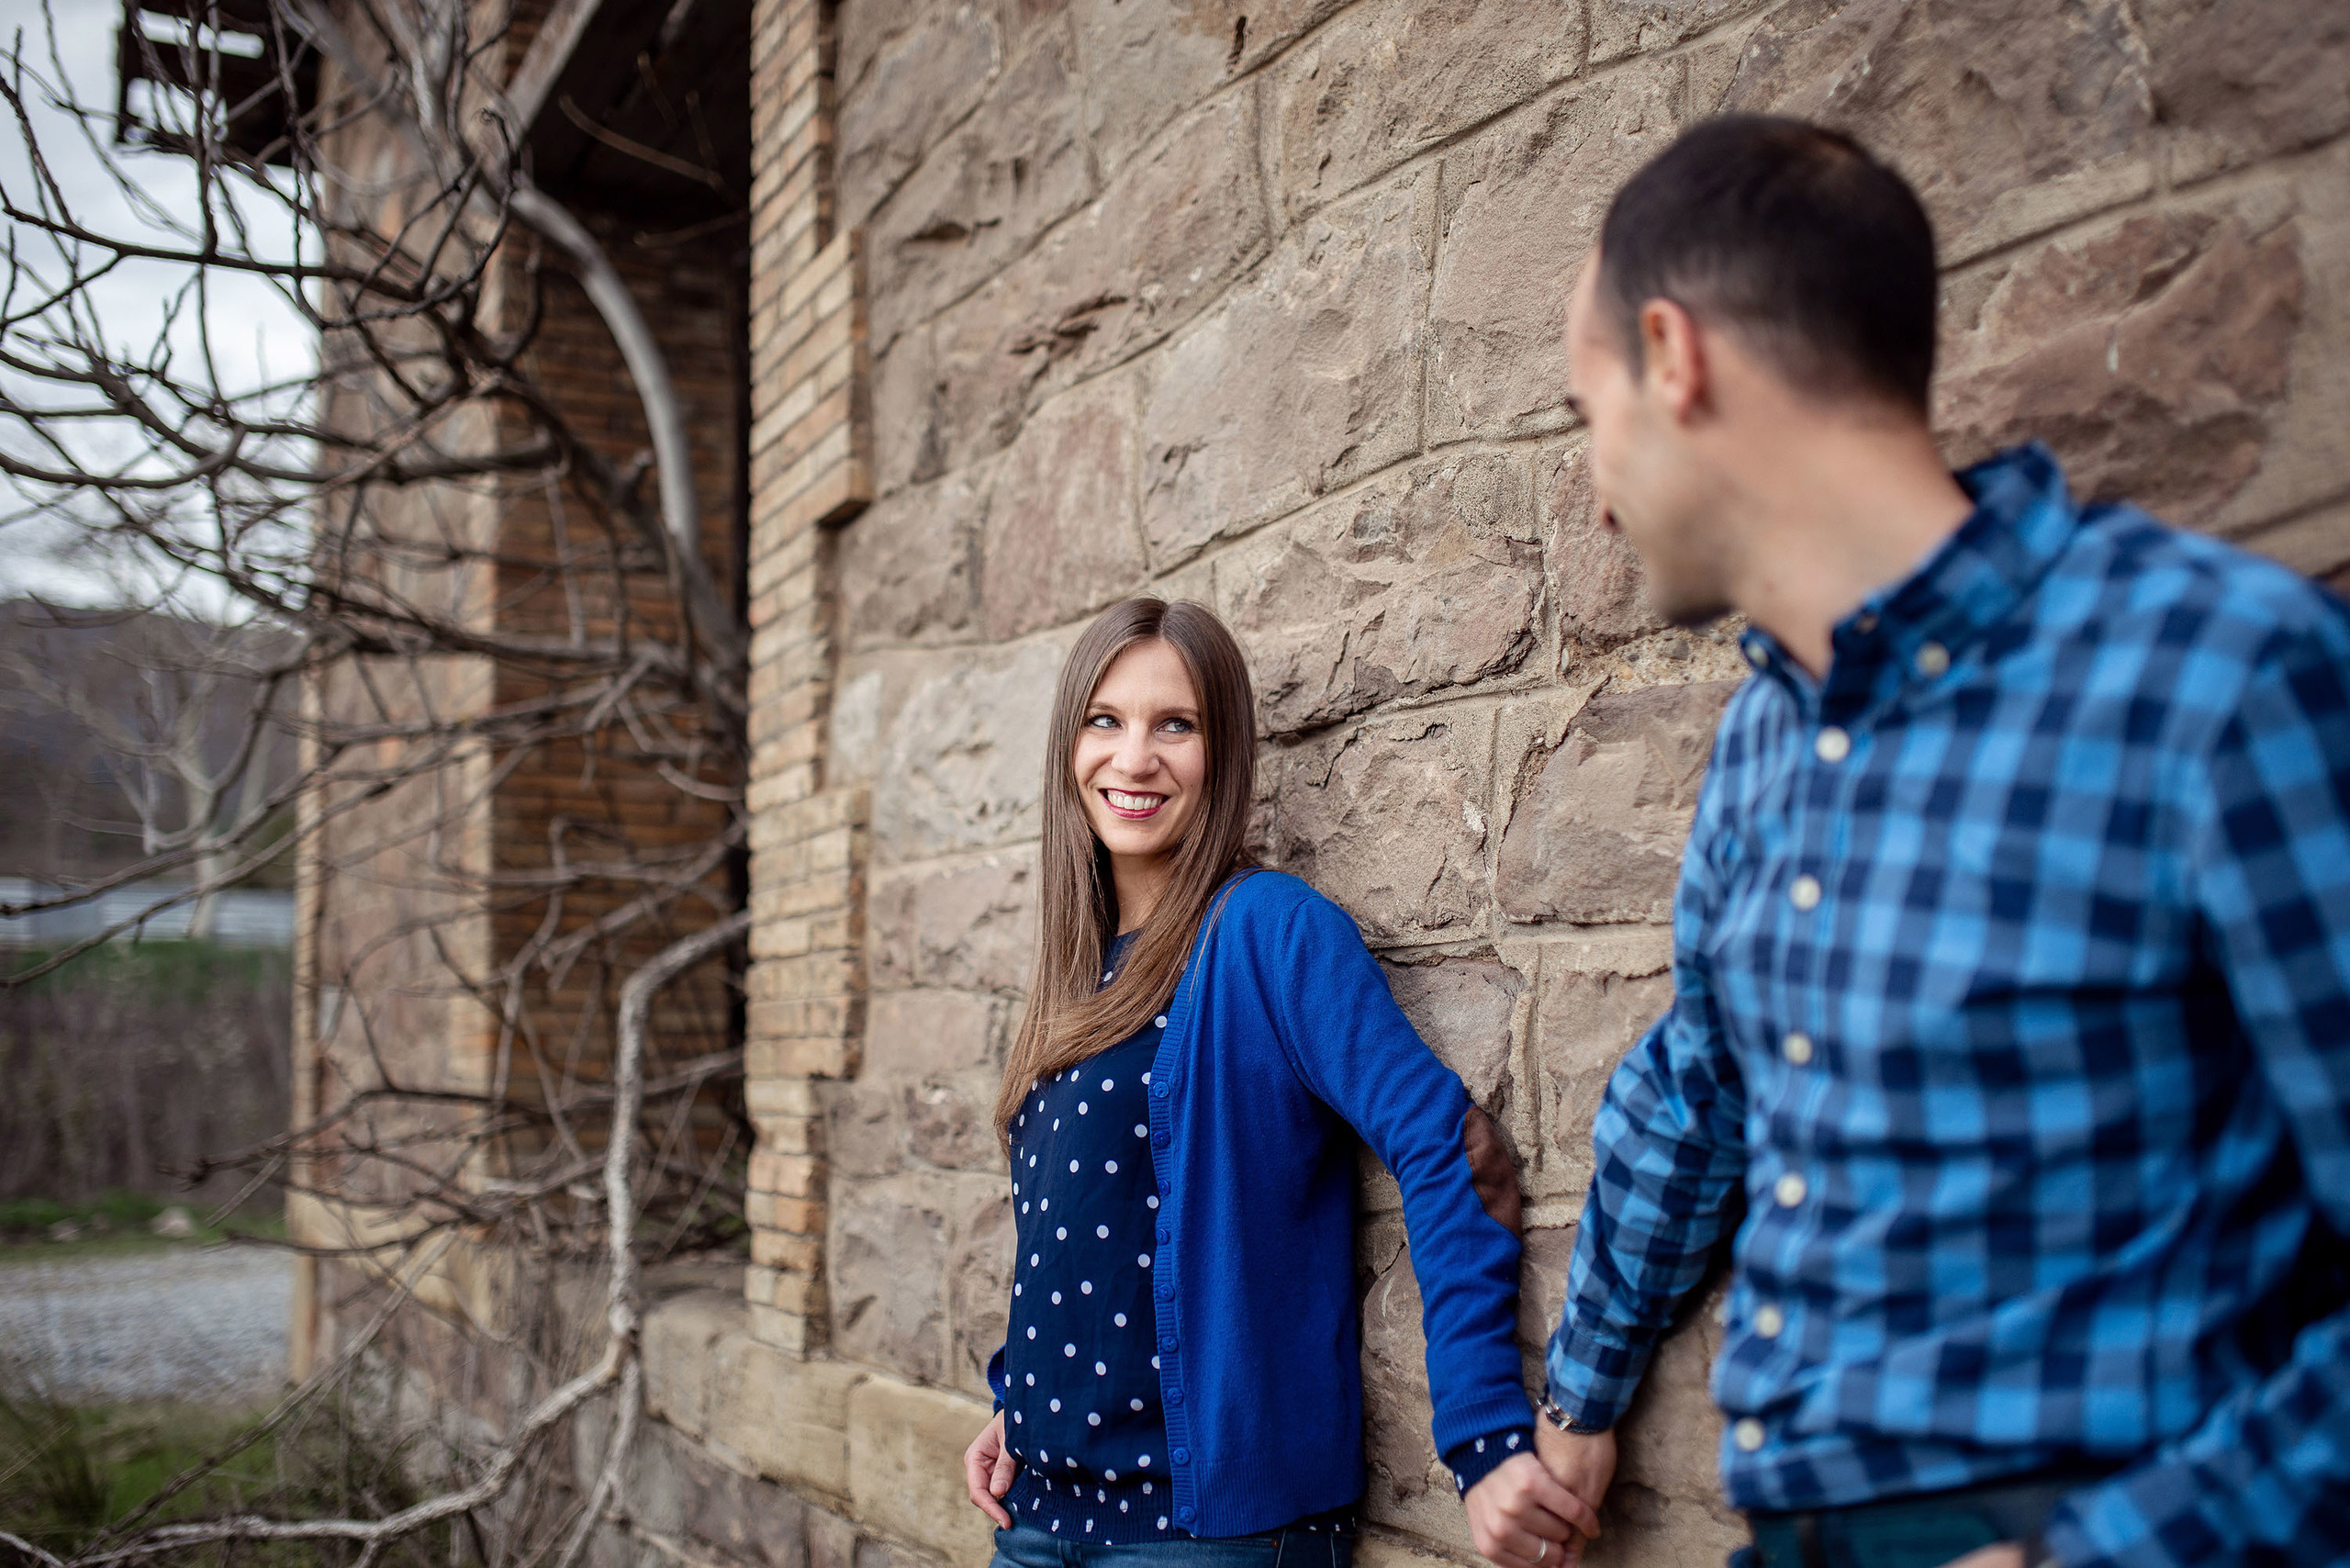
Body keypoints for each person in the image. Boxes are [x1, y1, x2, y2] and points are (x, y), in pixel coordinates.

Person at [1530, 114, 2350, 1568]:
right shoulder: (1763, 743)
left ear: (1675, 355)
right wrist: (1580, 1397)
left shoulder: (2221, 677)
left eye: (1588, 408)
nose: (1595, 490)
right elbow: (1701, 1085)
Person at [962, 597, 1592, 1568]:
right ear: (1069, 747)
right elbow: (1072, 1225)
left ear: (1225, 753)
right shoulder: (1072, 973)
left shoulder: (1266, 932)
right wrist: (1021, 1399)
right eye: (1105, 720)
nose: (1134, 758)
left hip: (1203, 1537)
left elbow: (1454, 1153)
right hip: (1036, 1516)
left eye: (1176, 724)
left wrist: (1485, 1435)